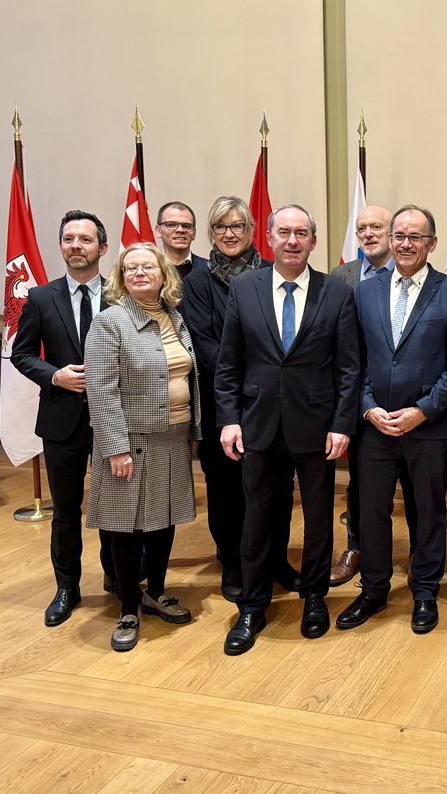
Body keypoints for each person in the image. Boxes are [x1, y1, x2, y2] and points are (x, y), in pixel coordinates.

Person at [215, 204, 360, 655]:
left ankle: (314, 596)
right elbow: (229, 365)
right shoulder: (244, 288)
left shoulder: (336, 293)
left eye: (302, 233)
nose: (293, 240)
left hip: (317, 430)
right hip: (257, 426)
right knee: (257, 520)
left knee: (318, 519)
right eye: (284, 232)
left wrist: (341, 423)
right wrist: (229, 418)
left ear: (314, 242)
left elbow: (349, 369)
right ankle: (253, 607)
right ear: (270, 238)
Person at [336, 205, 447, 635]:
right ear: (390, 240)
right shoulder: (365, 291)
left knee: (429, 511)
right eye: (399, 235)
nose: (406, 243)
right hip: (374, 426)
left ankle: (426, 591)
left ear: (432, 243)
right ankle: (374, 589)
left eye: (416, 237)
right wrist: (366, 406)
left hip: (429, 428)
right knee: (371, 512)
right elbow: (351, 360)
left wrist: (422, 411)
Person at [84, 242, 201, 651]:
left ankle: (157, 589)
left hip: (172, 438)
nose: (138, 273)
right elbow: (100, 391)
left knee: (164, 520)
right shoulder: (110, 323)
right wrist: (114, 447)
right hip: (128, 444)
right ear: (120, 276)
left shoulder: (174, 318)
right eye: (130, 268)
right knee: (127, 527)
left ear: (163, 275)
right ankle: (129, 607)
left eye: (147, 267)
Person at [182, 196, 297, 602]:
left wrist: (267, 379)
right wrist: (252, 378)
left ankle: (278, 561)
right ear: (211, 234)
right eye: (220, 227)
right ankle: (233, 561)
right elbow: (205, 343)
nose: (229, 234)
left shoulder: (273, 272)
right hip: (223, 403)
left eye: (238, 227)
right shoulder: (196, 282)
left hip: (273, 404)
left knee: (277, 487)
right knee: (226, 489)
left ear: (253, 233)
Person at [11, 210, 117, 626]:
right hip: (61, 421)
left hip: (113, 420)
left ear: (102, 248)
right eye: (69, 239)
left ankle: (117, 578)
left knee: (114, 508)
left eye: (86, 239)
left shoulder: (121, 295)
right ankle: (67, 588)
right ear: (61, 246)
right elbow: (20, 354)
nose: (77, 246)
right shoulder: (40, 298)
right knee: (67, 509)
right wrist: (54, 375)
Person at [328, 204, 418, 588]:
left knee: (415, 485)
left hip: (409, 400)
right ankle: (357, 547)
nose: (367, 234)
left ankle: (418, 554)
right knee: (360, 485)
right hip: (360, 399)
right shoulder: (343, 276)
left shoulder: (409, 274)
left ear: (394, 233)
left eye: (376, 227)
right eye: (361, 228)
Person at [154, 201, 207, 278]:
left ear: (194, 233)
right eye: (171, 225)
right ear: (158, 231)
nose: (180, 230)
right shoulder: (149, 269)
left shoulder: (210, 270)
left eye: (186, 226)